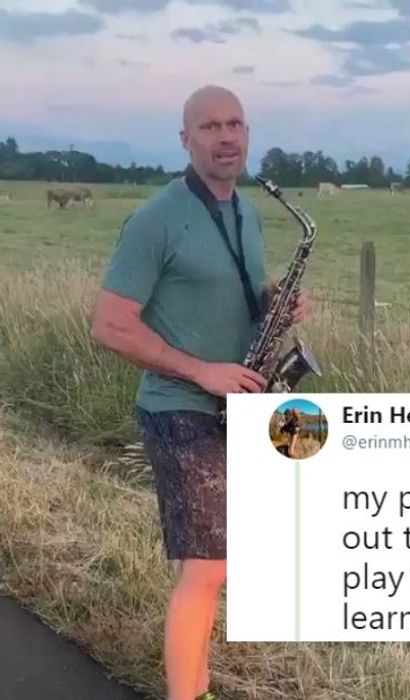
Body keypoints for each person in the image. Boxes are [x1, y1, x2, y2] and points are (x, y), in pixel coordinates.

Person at [89, 85, 311, 700]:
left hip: (235, 402)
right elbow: (109, 324)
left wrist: (274, 303)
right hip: (180, 404)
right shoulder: (157, 219)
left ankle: (197, 682)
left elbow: (224, 291)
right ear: (186, 140)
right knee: (208, 569)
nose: (226, 136)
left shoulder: (244, 209)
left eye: (235, 123)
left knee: (220, 565)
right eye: (210, 126)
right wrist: (201, 370)